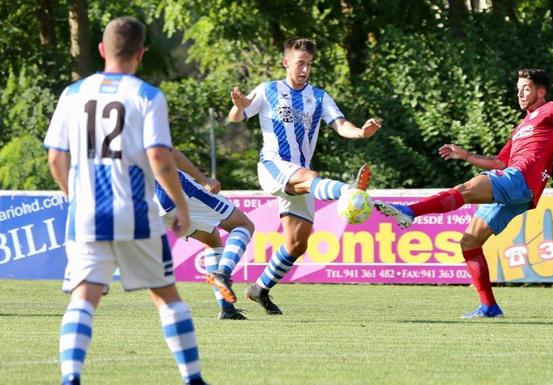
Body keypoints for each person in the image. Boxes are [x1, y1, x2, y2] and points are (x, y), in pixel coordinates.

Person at [374, 68, 553, 318]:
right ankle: (489, 307)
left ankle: (410, 212)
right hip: (518, 190)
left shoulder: (552, 109)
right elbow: (499, 163)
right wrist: (466, 155)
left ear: (541, 91)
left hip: (520, 180)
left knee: (466, 190)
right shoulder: (521, 128)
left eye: (526, 88)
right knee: (470, 242)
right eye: (518, 89)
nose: (520, 93)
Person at [44, 17, 209, 384]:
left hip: (86, 215)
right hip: (135, 214)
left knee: (83, 298)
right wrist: (180, 205)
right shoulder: (147, 96)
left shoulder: (73, 94)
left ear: (102, 50)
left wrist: (74, 197)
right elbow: (159, 158)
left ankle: (70, 378)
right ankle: (193, 379)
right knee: (167, 296)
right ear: (141, 54)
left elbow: (56, 158)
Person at [228, 37, 382, 314]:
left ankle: (259, 288)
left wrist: (360, 132)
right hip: (274, 166)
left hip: (300, 178)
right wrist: (239, 105)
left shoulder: (319, 96)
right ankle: (347, 191)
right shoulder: (268, 90)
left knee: (297, 243)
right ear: (286, 62)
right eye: (300, 63)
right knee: (310, 176)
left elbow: (340, 124)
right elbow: (236, 117)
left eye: (309, 64)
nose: (305, 69)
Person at [154, 148, 254, 320]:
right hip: (174, 189)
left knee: (212, 239)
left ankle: (227, 309)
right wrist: (204, 179)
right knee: (243, 224)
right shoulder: (141, 123)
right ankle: (223, 272)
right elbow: (170, 153)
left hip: (151, 205)